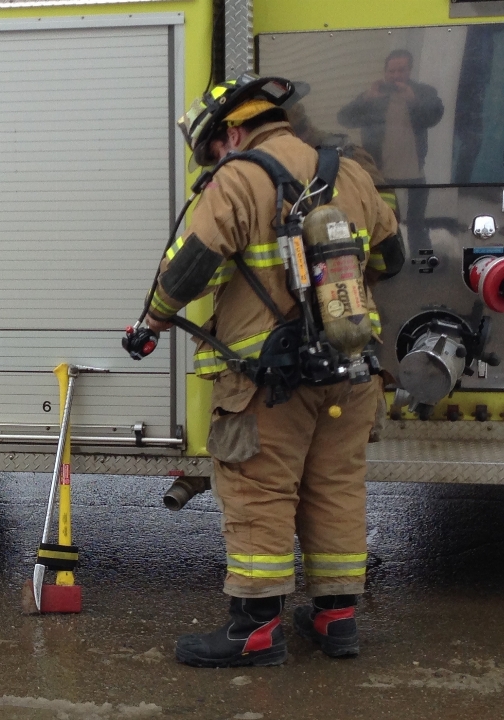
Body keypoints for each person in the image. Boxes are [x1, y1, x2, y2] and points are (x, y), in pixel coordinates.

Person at [142, 74, 405, 668]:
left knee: (257, 490)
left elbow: (190, 272)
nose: (212, 159)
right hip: (352, 367)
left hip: (270, 381)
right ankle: (336, 619)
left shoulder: (239, 178)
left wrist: (153, 322)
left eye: (210, 147)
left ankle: (255, 630)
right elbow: (391, 256)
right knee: (336, 488)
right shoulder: (352, 173)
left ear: (233, 132)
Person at [337, 49, 443, 238]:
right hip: (381, 174)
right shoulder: (374, 96)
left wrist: (413, 100)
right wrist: (366, 99)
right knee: (386, 223)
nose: (395, 76)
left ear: (410, 71)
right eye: (391, 71)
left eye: (401, 71)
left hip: (414, 173)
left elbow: (434, 117)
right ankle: (392, 264)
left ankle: (419, 261)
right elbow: (344, 118)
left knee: (417, 224)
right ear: (385, 72)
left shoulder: (423, 93)